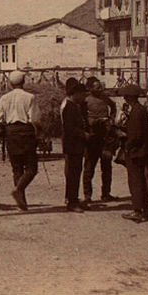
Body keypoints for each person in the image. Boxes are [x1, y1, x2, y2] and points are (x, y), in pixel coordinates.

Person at [0, 70, 40, 211]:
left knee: (17, 168)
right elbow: (35, 119)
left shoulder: (4, 98)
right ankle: (19, 190)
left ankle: (22, 202)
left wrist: (5, 124)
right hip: (26, 133)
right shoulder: (30, 97)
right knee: (32, 168)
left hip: (11, 133)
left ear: (11, 84)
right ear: (23, 82)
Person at [120, 85, 148, 223]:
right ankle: (146, 211)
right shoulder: (140, 110)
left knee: (135, 181)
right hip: (141, 150)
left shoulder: (136, 112)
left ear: (130, 97)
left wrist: (127, 144)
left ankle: (138, 211)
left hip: (136, 152)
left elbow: (136, 135)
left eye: (126, 96)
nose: (124, 98)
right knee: (141, 181)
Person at [83, 78, 118, 203]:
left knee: (107, 167)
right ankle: (87, 195)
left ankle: (106, 193)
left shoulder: (105, 98)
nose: (100, 89)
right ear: (90, 88)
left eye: (100, 87)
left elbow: (113, 106)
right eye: (96, 87)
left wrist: (111, 118)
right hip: (92, 139)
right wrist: (93, 122)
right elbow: (82, 118)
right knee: (89, 168)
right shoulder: (85, 100)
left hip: (105, 138)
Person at [61, 80, 89, 212]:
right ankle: (72, 202)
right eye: (82, 95)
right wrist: (83, 134)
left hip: (75, 145)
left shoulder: (73, 106)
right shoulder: (69, 107)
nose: (84, 97)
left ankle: (73, 198)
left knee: (75, 172)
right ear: (76, 94)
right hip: (73, 145)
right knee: (73, 173)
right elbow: (70, 128)